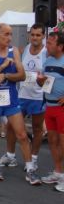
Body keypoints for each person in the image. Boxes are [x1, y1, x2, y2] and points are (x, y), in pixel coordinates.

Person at [0, 23, 41, 185]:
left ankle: (30, 169)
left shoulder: (14, 51)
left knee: (22, 134)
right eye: (6, 34)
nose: (9, 38)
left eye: (11, 34)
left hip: (11, 99)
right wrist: (1, 67)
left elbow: (21, 75)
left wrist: (5, 76)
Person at [0, 23, 47, 170]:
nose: (34, 37)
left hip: (38, 97)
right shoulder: (25, 49)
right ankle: (10, 156)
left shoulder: (47, 53)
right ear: (29, 35)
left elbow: (50, 77)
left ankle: (33, 159)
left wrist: (43, 85)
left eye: (38, 35)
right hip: (21, 95)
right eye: (32, 34)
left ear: (43, 36)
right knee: (10, 126)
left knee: (37, 129)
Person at [36, 32, 64, 192]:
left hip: (62, 109)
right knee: (53, 141)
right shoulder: (48, 61)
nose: (47, 46)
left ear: (60, 46)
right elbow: (43, 84)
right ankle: (58, 172)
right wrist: (40, 81)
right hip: (50, 106)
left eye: (51, 43)